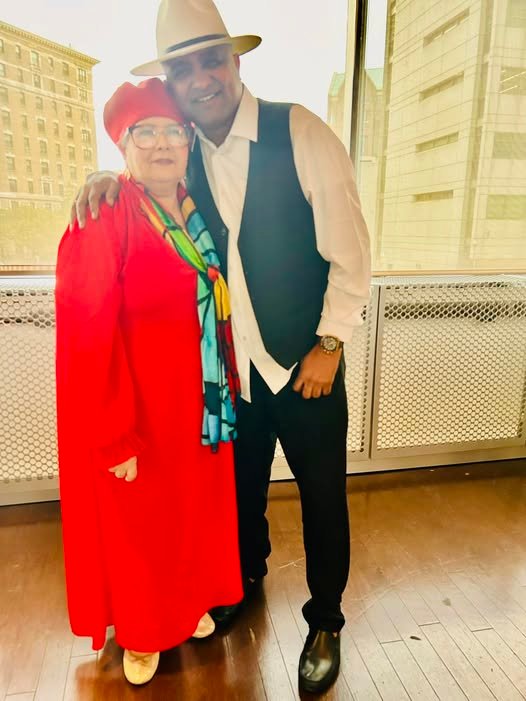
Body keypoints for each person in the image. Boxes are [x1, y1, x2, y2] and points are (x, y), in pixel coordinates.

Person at [72, 0, 371, 693]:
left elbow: (351, 250)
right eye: (184, 70)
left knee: (323, 497)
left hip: (306, 364)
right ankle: (244, 581)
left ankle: (326, 620)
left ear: (235, 63)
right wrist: (103, 178)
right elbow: (146, 191)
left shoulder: (300, 131)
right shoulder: (182, 157)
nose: (201, 78)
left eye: (212, 60)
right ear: (173, 86)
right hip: (231, 374)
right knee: (241, 494)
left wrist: (330, 343)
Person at [55, 77, 243, 686]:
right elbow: (87, 332)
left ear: (188, 141)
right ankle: (141, 630)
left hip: (197, 405)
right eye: (146, 133)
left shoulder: (190, 208)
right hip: (137, 410)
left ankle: (183, 607)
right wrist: (114, 433)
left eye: (172, 132)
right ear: (123, 144)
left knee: (185, 519)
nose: (162, 144)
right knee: (140, 527)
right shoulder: (106, 215)